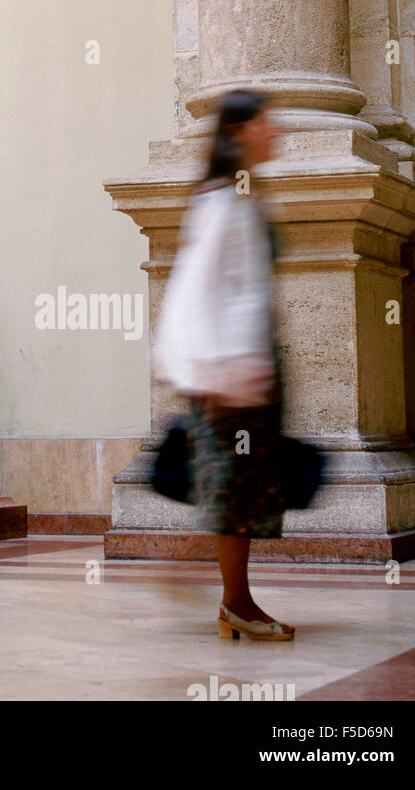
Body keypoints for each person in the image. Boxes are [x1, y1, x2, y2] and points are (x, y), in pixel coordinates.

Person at [153, 90, 293, 641]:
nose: (276, 132)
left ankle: (230, 596)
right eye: (266, 123)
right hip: (230, 372)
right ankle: (233, 602)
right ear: (238, 132)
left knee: (247, 487)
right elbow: (195, 289)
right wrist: (213, 370)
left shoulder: (244, 196)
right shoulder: (220, 202)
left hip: (248, 366)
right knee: (234, 487)